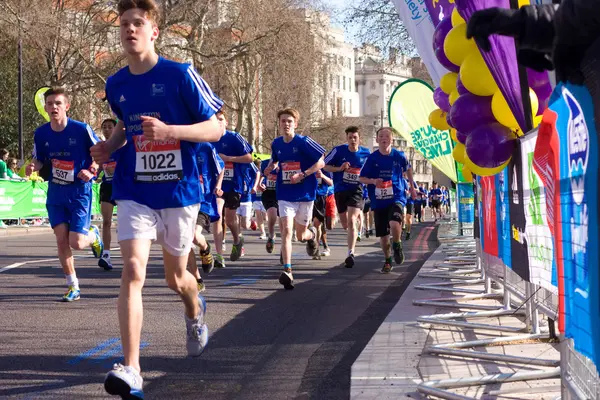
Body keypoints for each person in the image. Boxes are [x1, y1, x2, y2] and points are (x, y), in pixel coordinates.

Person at [90, 1, 225, 397]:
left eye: (138, 24)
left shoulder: (180, 74)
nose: (130, 29)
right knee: (132, 270)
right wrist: (108, 148)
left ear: (154, 32)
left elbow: (216, 128)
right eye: (124, 24)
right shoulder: (116, 84)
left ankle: (195, 309)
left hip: (179, 191)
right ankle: (132, 367)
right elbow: (126, 129)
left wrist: (172, 132)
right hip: (135, 189)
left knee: (175, 278)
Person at [26, 87, 104, 301]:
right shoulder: (41, 133)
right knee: (62, 240)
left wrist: (92, 169)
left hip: (79, 191)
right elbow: (40, 158)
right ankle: (73, 286)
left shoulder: (81, 129)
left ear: (67, 106)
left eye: (58, 103)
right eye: (50, 104)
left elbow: (100, 152)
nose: (53, 107)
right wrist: (33, 166)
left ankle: (93, 236)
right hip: (56, 193)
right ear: (45, 107)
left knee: (77, 242)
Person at [264, 108, 325, 289]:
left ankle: (312, 235)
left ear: (295, 124)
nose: (286, 124)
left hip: (305, 194)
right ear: (279, 124)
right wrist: (270, 167)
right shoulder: (276, 144)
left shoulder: (304, 142)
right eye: (283, 121)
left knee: (300, 235)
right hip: (285, 194)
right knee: (286, 230)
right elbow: (274, 160)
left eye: (289, 121)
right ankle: (288, 270)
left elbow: (321, 161)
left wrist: (303, 174)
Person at [359, 127, 416, 274]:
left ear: (391, 140)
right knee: (384, 238)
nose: (384, 138)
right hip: (378, 201)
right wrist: (373, 181)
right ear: (377, 140)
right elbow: (361, 178)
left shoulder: (399, 155)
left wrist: (412, 187)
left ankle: (397, 245)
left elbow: (408, 169)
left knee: (395, 223)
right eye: (381, 136)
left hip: (396, 197)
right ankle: (388, 260)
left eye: (387, 136)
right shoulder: (372, 158)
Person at [324, 126, 370, 268]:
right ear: (346, 138)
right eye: (350, 137)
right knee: (345, 224)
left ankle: (350, 253)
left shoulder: (366, 153)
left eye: (355, 137)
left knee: (351, 220)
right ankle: (354, 232)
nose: (352, 140)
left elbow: (372, 170)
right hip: (340, 190)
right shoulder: (338, 151)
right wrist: (339, 168)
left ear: (359, 138)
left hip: (356, 190)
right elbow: (325, 165)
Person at [212, 110, 253, 262]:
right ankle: (219, 254)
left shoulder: (234, 137)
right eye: (215, 120)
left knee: (229, 220)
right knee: (217, 215)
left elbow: (250, 157)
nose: (218, 122)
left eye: (221, 119)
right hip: (216, 185)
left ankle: (237, 240)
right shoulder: (208, 139)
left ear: (226, 122)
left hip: (234, 184)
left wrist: (228, 158)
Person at [188, 142, 224, 292]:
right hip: (184, 199)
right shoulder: (179, 143)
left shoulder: (207, 147)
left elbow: (221, 167)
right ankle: (197, 279)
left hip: (204, 200)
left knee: (195, 236)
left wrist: (219, 185)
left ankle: (205, 247)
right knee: (186, 240)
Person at [98, 118, 118, 271]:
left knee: (125, 223)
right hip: (107, 186)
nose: (106, 129)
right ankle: (106, 254)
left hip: (123, 187)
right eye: (104, 127)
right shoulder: (100, 147)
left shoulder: (122, 145)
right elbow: (97, 167)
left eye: (109, 127)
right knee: (106, 222)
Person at [312, 169, 333, 259]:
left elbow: (331, 183)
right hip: (307, 197)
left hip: (321, 197)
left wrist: (322, 176)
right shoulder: (307, 165)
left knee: (319, 225)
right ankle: (316, 246)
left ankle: (320, 247)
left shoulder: (325, 168)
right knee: (312, 225)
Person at [260, 158, 279, 253]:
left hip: (284, 193)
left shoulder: (287, 161)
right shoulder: (265, 163)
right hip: (269, 193)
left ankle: (284, 250)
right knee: (272, 215)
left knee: (285, 224)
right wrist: (259, 184)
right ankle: (271, 235)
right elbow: (260, 176)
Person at [251, 158, 267, 239]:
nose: (259, 169)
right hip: (255, 198)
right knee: (258, 215)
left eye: (260, 167)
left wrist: (265, 186)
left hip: (265, 198)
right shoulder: (253, 174)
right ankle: (263, 233)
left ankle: (269, 231)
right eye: (258, 167)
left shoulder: (266, 174)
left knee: (266, 218)